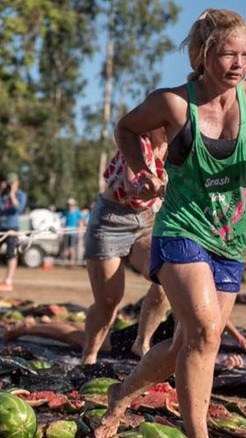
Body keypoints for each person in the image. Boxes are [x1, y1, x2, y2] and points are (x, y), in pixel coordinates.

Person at [93, 9, 246, 438]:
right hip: (181, 229)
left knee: (192, 340)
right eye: (228, 54)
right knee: (204, 331)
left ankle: (123, 393)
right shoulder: (173, 102)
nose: (239, 63)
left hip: (231, 240)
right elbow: (126, 128)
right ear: (204, 56)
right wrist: (142, 170)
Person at [81, 128, 170, 365]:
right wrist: (164, 188)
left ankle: (142, 341)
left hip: (146, 219)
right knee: (108, 302)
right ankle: (89, 356)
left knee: (167, 273)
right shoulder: (140, 142)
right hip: (111, 218)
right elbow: (132, 185)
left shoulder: (175, 146)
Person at [4, 315, 246, 370]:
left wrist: (241, 339)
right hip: (153, 335)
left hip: (156, 333)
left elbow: (220, 316)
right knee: (82, 338)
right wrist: (226, 368)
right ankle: (31, 327)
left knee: (88, 333)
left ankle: (39, 324)